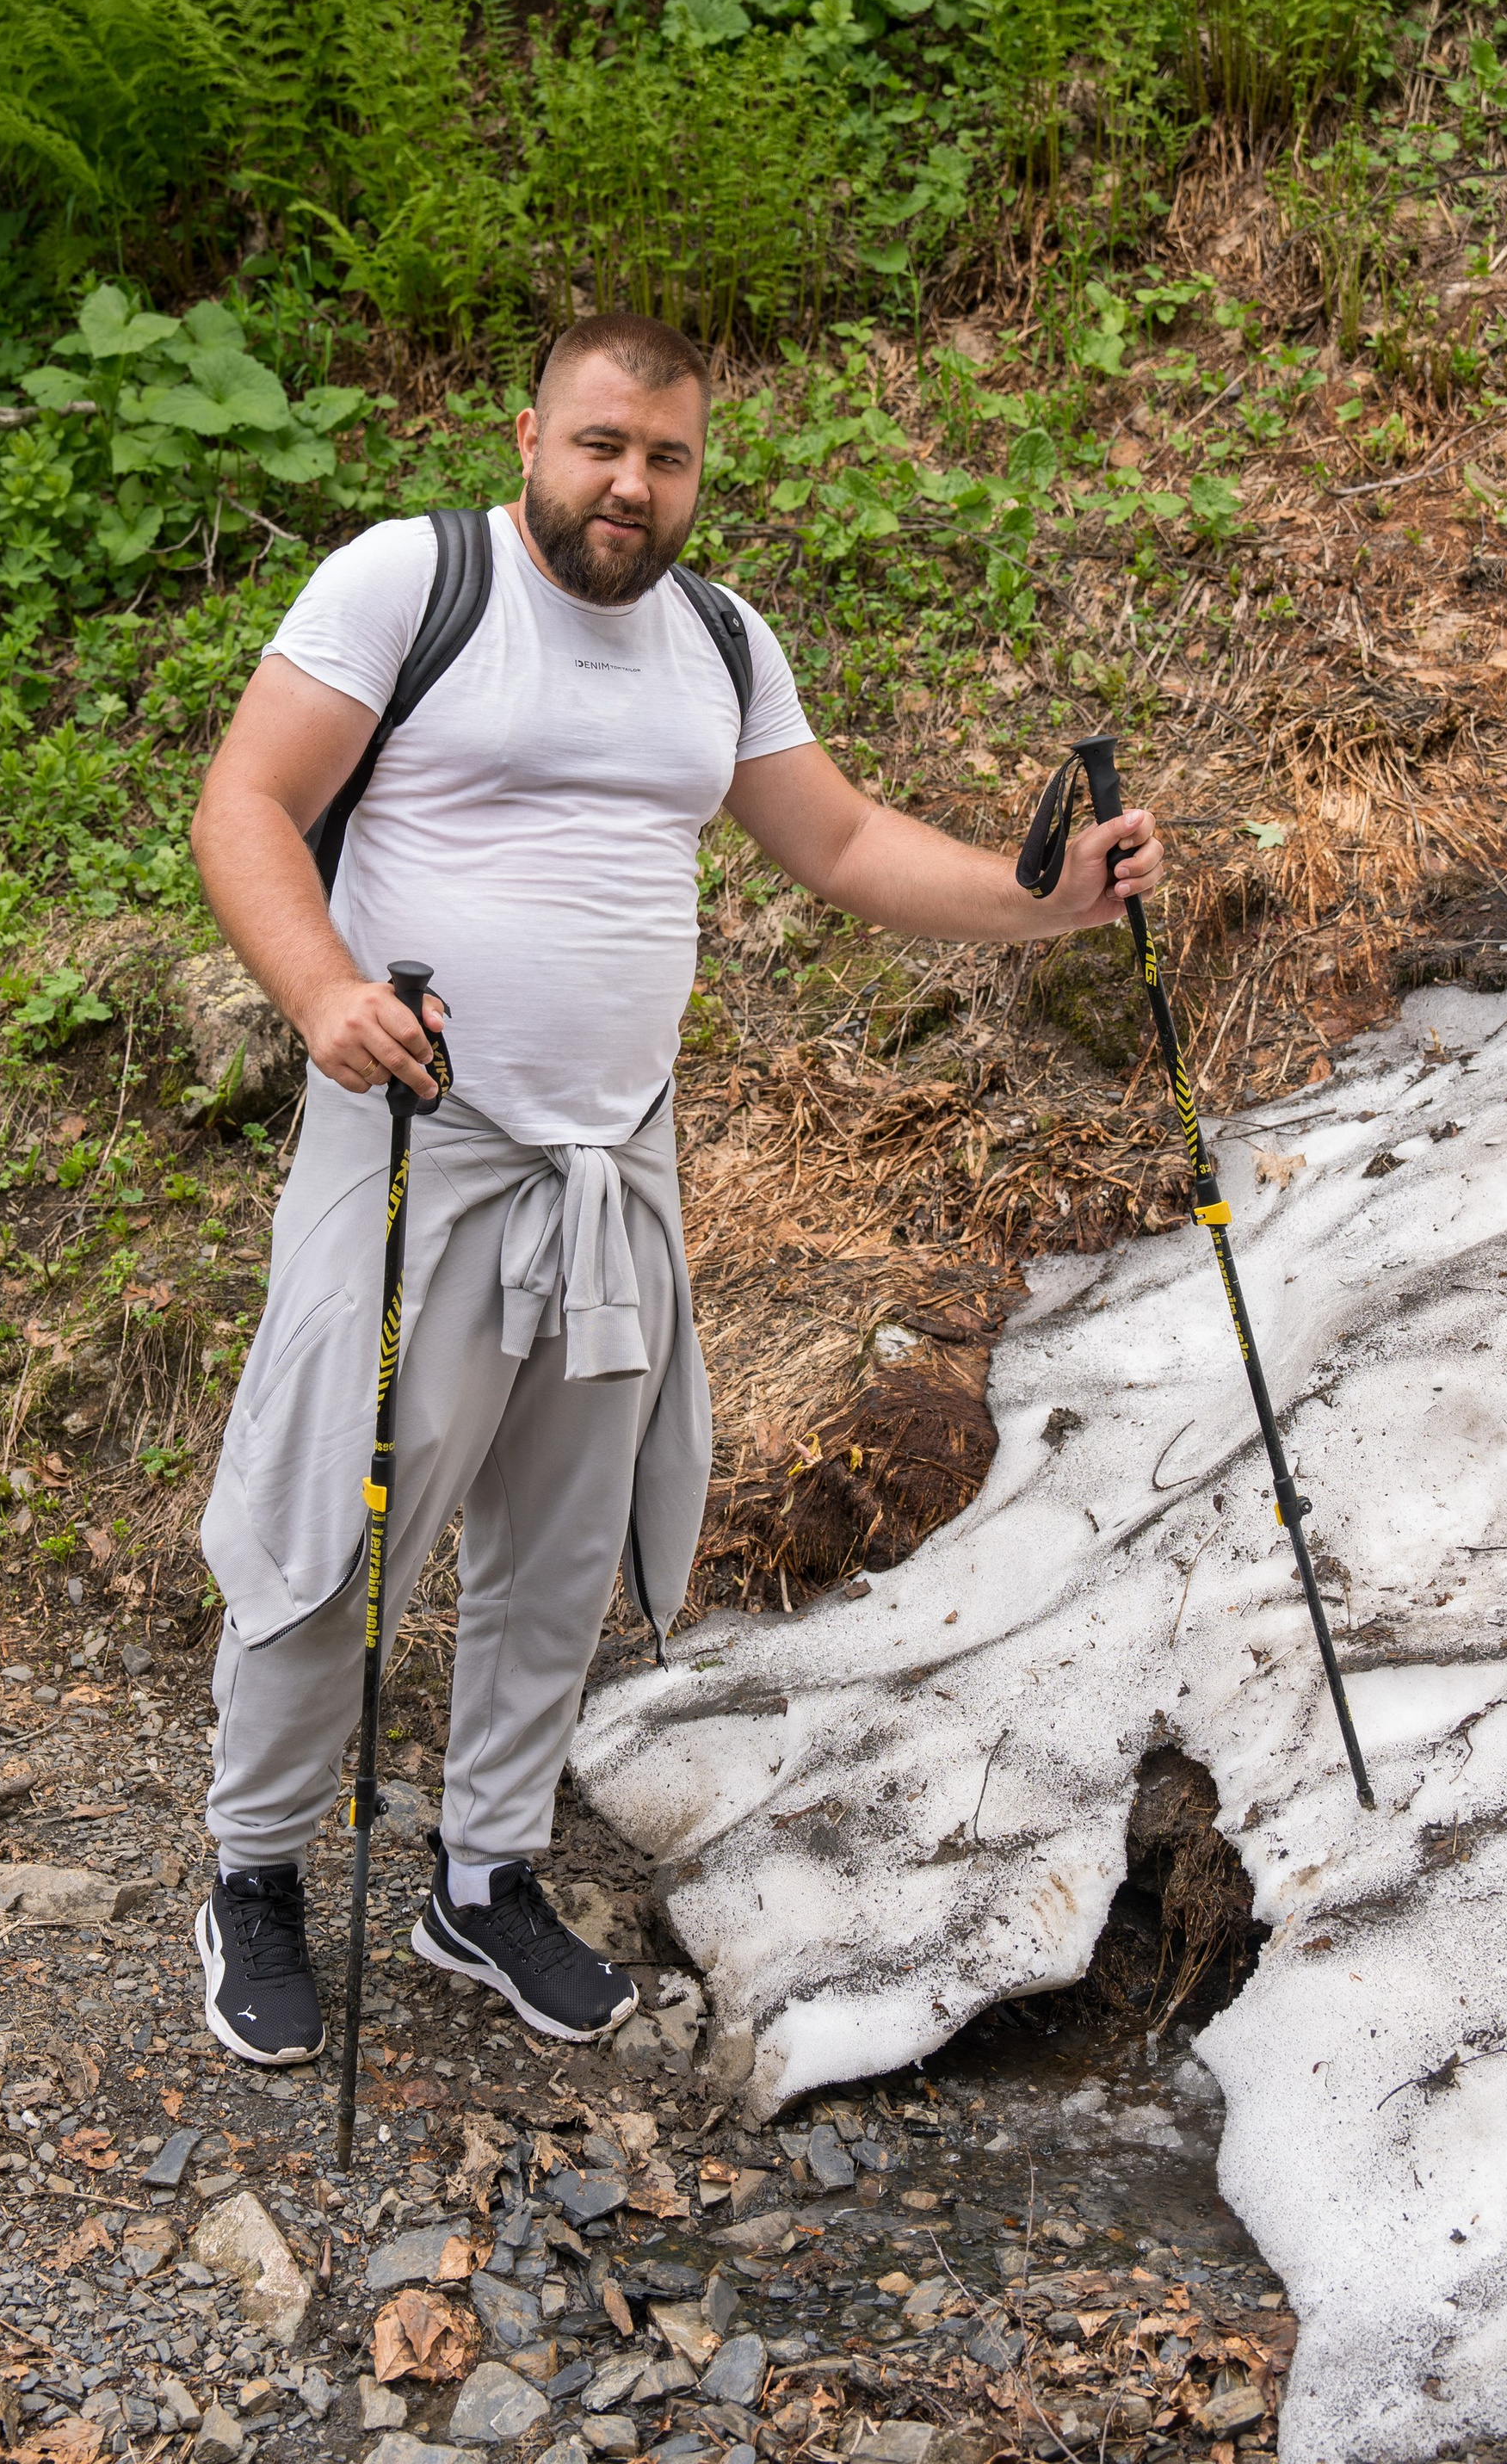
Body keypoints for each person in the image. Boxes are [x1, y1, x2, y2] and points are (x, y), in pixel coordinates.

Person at [185, 309, 1163, 2065]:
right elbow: (246, 803)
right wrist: (323, 990)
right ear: (528, 442)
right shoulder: (410, 590)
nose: (629, 483)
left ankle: (482, 1877)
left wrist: (1049, 901)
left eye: (667, 455)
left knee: (561, 1542)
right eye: (599, 446)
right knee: (335, 1522)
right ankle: (255, 1869)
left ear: (697, 469)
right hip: (418, 1137)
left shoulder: (716, 641)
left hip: (613, 1159)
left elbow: (844, 843)